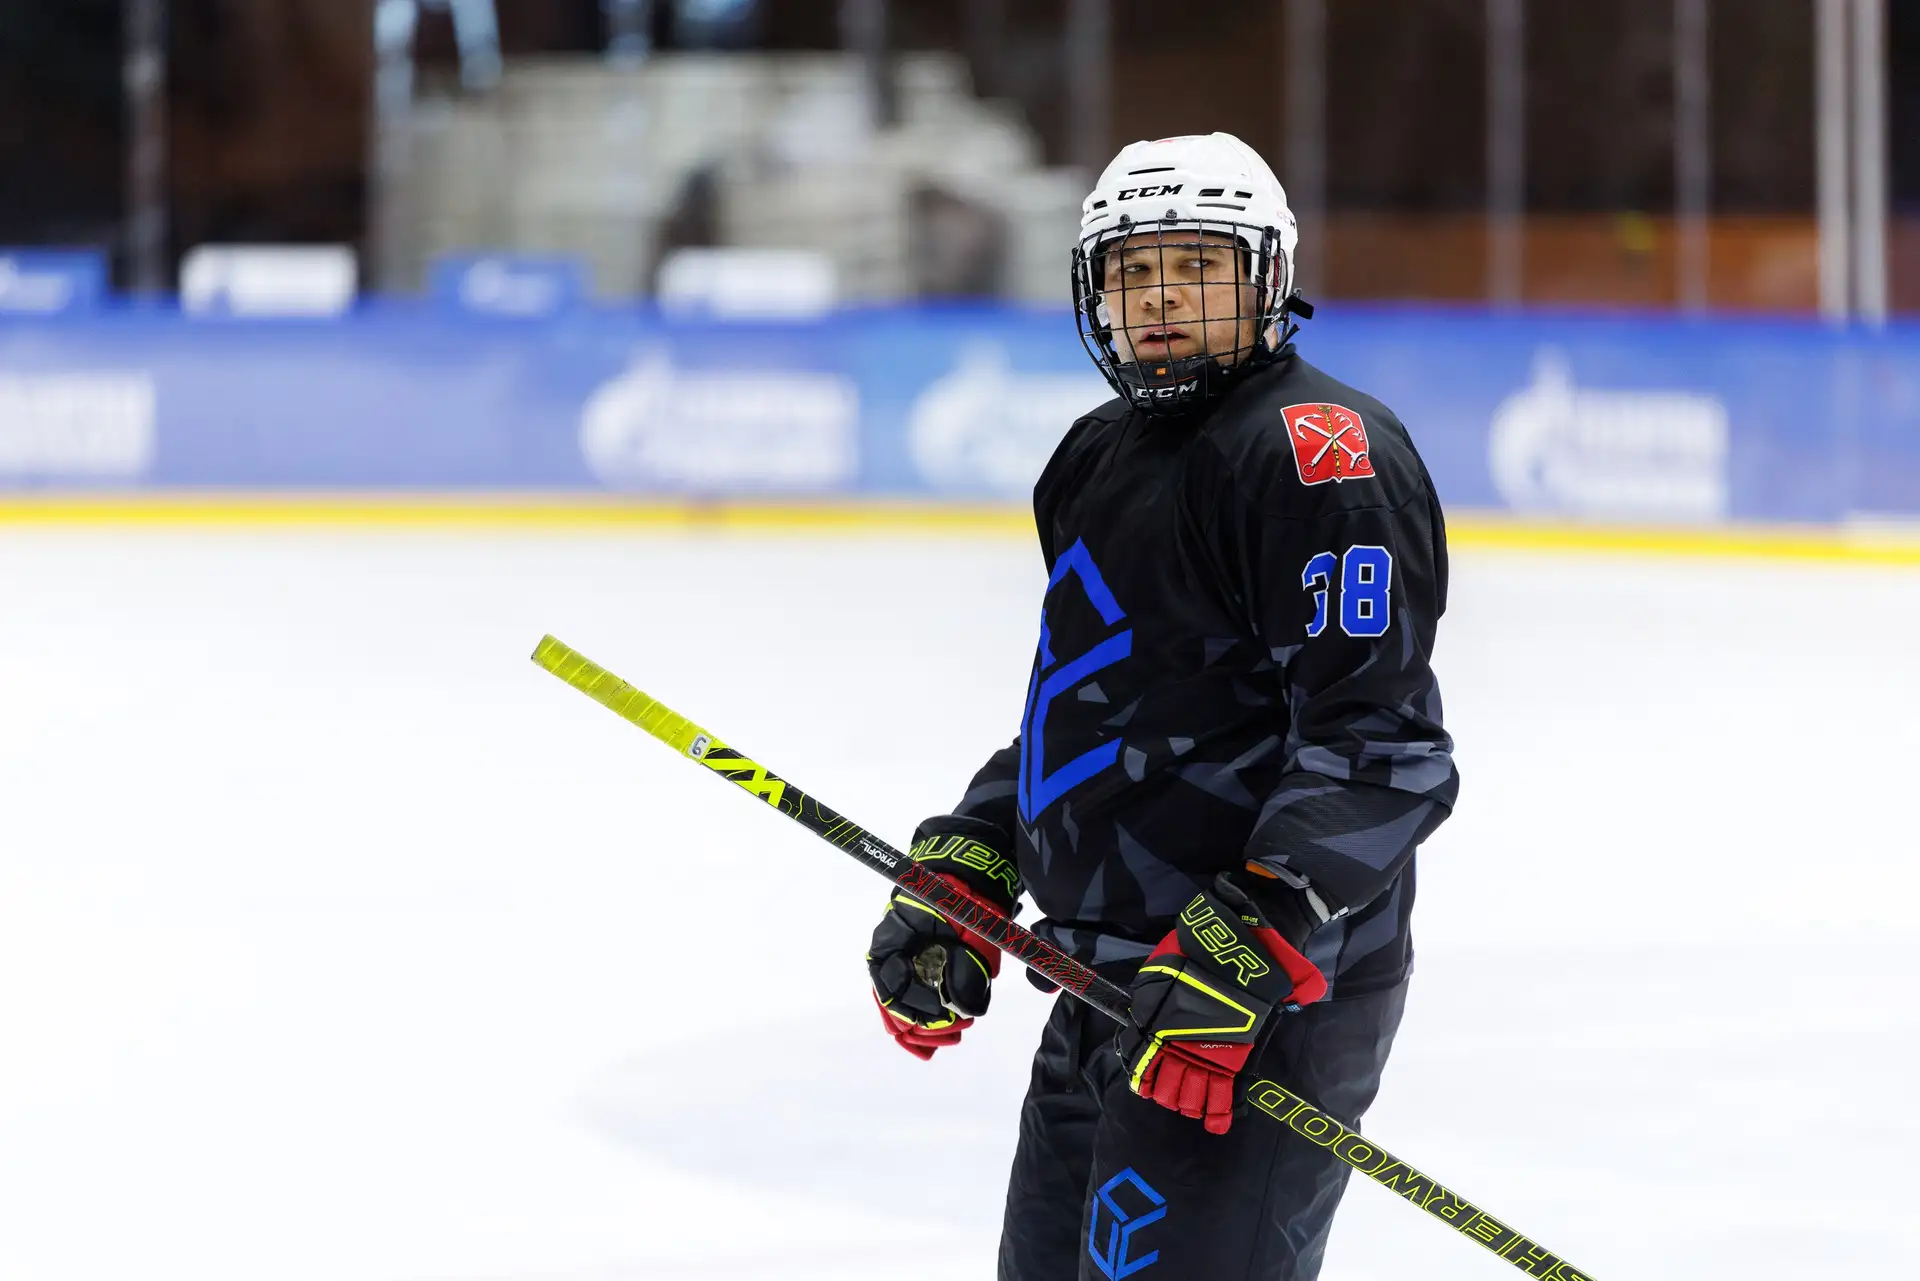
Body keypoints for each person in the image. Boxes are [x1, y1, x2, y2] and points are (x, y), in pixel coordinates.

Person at [866, 132, 1458, 1280]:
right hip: (1111, 988)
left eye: (1196, 265)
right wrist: (979, 850)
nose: (1160, 297)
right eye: (1133, 271)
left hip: (1258, 1002)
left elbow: (1378, 746)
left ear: (1269, 277)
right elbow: (1095, 705)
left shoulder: (1318, 458)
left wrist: (1258, 930)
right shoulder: (1097, 455)